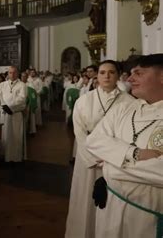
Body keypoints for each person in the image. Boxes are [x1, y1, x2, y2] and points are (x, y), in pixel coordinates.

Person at [87, 54, 162, 238]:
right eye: (130, 73)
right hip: (110, 205)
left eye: (138, 73)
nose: (129, 79)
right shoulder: (124, 107)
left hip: (147, 216)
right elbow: (94, 140)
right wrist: (134, 153)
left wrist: (110, 166)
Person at [65, 60, 135, 238]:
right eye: (103, 72)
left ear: (118, 75)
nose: (106, 76)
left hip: (114, 160)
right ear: (97, 75)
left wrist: (112, 155)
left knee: (109, 202)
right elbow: (79, 130)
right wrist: (92, 157)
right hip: (87, 156)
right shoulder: (84, 100)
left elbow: (130, 132)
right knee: (85, 199)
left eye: (111, 72)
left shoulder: (130, 101)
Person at [0, 66, 27, 162]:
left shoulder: (22, 85)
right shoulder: (2, 84)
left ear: (17, 73)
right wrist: (4, 106)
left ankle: (15, 158)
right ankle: (3, 156)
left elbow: (22, 99)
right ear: (8, 73)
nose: (12, 74)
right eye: (10, 72)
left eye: (14, 72)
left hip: (15, 114)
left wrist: (10, 107)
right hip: (4, 114)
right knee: (4, 135)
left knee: (15, 135)